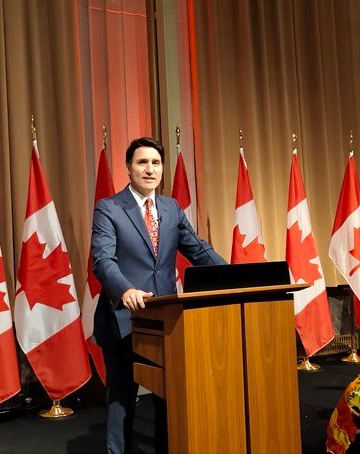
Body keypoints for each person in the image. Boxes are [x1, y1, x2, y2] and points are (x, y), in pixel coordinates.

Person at [91, 136, 226, 454]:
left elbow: (199, 251)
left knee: (169, 402)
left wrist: (234, 276)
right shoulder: (109, 208)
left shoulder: (171, 208)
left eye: (156, 162)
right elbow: (102, 260)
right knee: (122, 403)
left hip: (166, 323)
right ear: (128, 167)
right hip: (124, 321)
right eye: (142, 162)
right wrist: (125, 289)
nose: (150, 169)